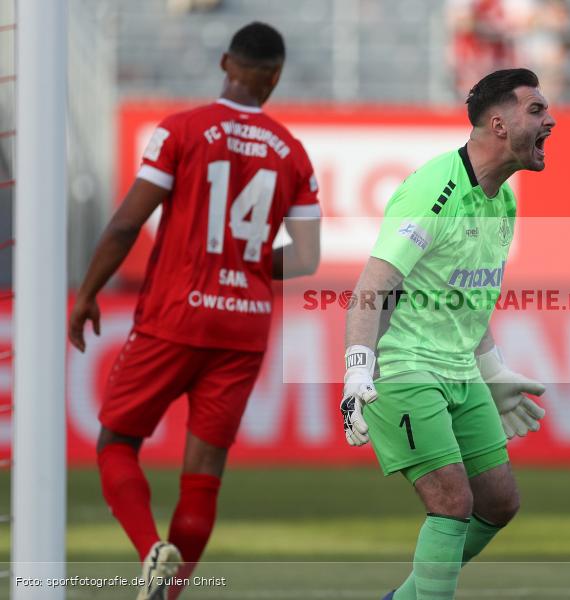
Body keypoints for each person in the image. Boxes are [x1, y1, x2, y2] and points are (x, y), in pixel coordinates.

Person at [67, 22, 321, 600]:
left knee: (116, 443)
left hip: (175, 314)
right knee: (203, 473)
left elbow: (128, 223)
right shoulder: (293, 152)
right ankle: (170, 593)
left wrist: (86, 294)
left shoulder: (181, 129)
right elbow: (305, 258)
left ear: (225, 63)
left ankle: (149, 549)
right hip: (243, 326)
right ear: (275, 78)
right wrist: (250, 263)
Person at [340, 68, 554, 599]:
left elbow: (465, 296)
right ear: (499, 124)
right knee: (452, 505)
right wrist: (357, 368)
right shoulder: (434, 190)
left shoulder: (503, 199)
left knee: (499, 503)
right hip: (404, 367)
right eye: (536, 111)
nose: (550, 120)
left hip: (458, 368)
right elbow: (374, 284)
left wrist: (492, 367)